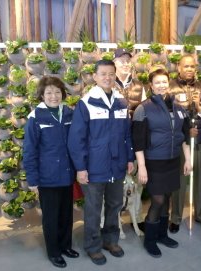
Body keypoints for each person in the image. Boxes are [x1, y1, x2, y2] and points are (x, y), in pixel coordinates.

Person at [67, 59, 135, 266]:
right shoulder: (86, 103)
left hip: (117, 165)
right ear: (94, 77)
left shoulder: (121, 102)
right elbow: (76, 140)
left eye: (111, 74)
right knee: (94, 208)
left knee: (115, 205)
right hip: (94, 168)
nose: (107, 77)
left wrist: (130, 158)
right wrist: (81, 168)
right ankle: (93, 246)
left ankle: (110, 241)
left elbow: (127, 134)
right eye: (103, 74)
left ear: (115, 76)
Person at [132, 69, 192, 258]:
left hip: (173, 160)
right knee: (157, 200)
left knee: (166, 199)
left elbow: (184, 136)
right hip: (153, 161)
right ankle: (150, 240)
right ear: (151, 85)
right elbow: (138, 141)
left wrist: (188, 159)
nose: (161, 85)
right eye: (157, 82)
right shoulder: (143, 108)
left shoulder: (178, 107)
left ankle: (162, 235)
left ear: (169, 83)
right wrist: (141, 166)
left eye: (164, 82)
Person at [23, 76, 79, 269]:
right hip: (47, 177)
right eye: (49, 92)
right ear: (42, 95)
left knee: (66, 214)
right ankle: (54, 252)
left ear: (62, 94)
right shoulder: (35, 118)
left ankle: (66, 246)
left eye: (57, 92)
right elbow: (29, 151)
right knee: (51, 217)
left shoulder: (69, 113)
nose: (54, 96)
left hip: (66, 174)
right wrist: (33, 180)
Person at [168, 54, 201, 233]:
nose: (189, 69)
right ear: (178, 67)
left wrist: (199, 106)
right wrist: (183, 131)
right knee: (180, 180)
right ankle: (176, 217)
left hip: (200, 140)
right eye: (185, 66)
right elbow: (166, 116)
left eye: (192, 67)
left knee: (200, 180)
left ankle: (200, 214)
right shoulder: (170, 88)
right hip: (180, 142)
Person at [113, 48, 147, 232]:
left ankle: (138, 217)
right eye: (121, 60)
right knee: (116, 183)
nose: (125, 64)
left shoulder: (139, 87)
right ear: (114, 62)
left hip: (134, 142)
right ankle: (114, 218)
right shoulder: (108, 84)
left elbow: (144, 114)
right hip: (115, 142)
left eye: (128, 61)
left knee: (136, 182)